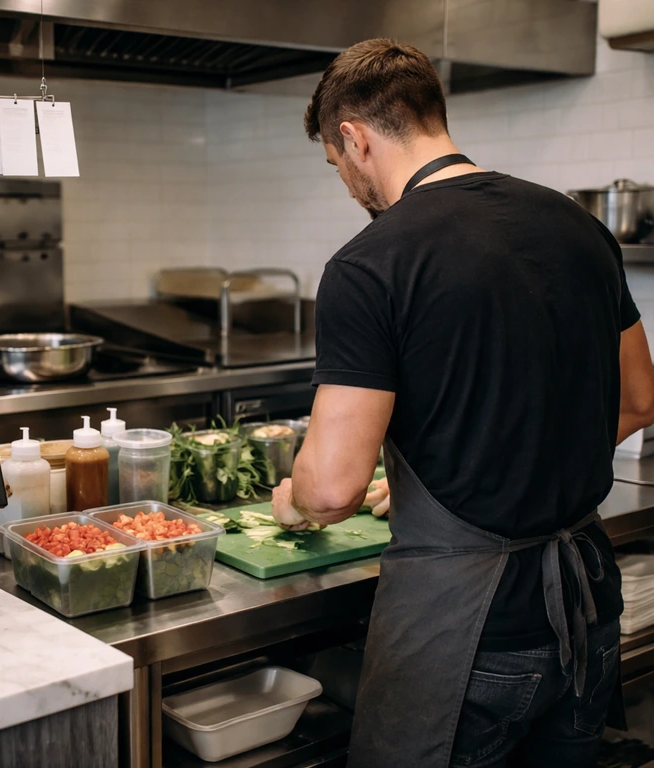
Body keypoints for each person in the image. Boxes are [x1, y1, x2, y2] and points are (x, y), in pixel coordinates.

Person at [272, 38, 654, 768]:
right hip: (586, 612)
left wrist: (294, 502)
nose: (350, 185)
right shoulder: (579, 228)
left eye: (337, 164)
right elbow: (639, 399)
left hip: (465, 634)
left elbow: (330, 488)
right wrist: (493, 464)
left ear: (354, 138)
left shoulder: (370, 262)